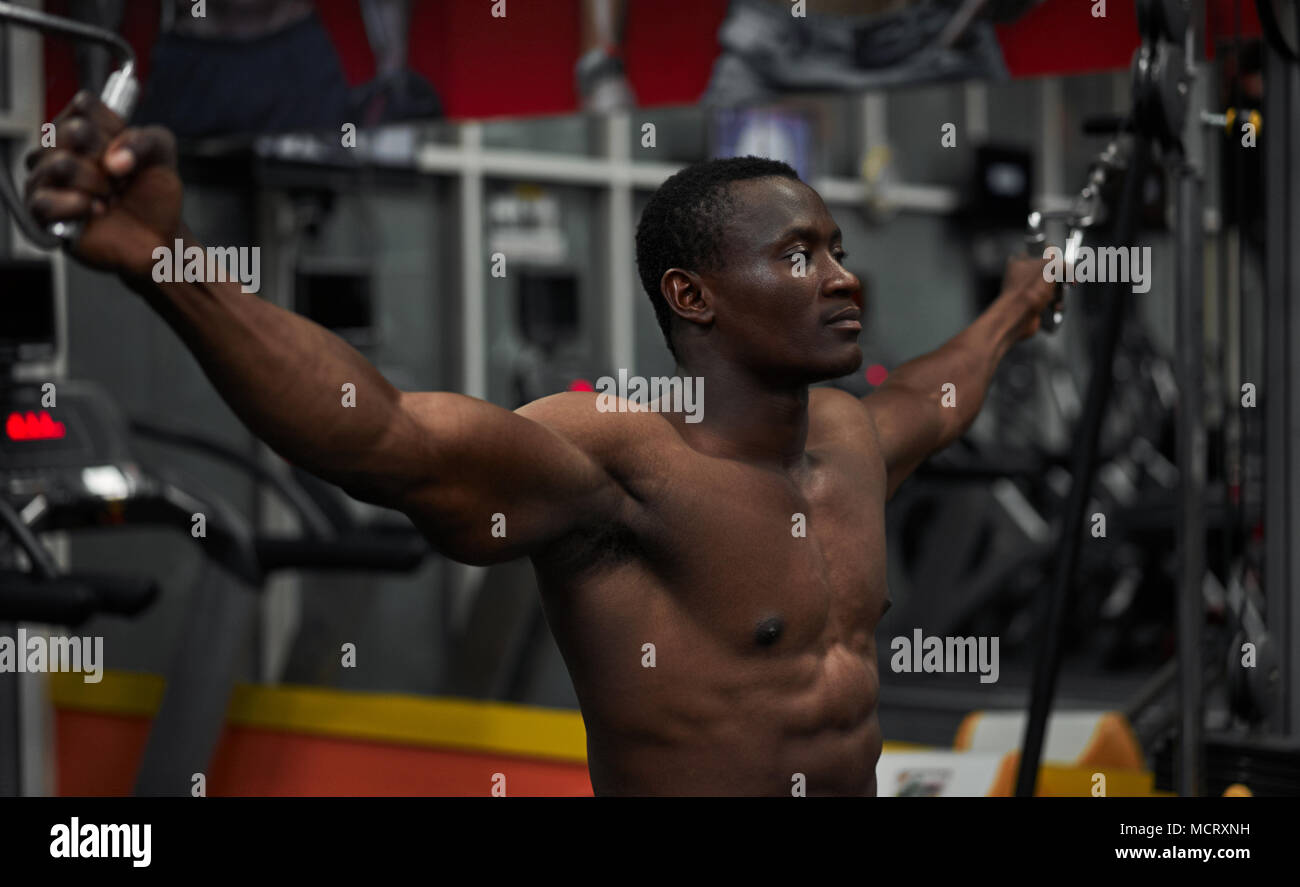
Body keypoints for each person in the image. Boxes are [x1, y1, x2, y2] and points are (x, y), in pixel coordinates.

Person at [23, 93, 1055, 796]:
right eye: (798, 254)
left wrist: (1016, 304)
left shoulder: (849, 440)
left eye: (836, 249)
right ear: (691, 297)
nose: (842, 277)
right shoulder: (625, 464)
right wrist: (165, 259)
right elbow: (382, 432)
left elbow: (939, 391)